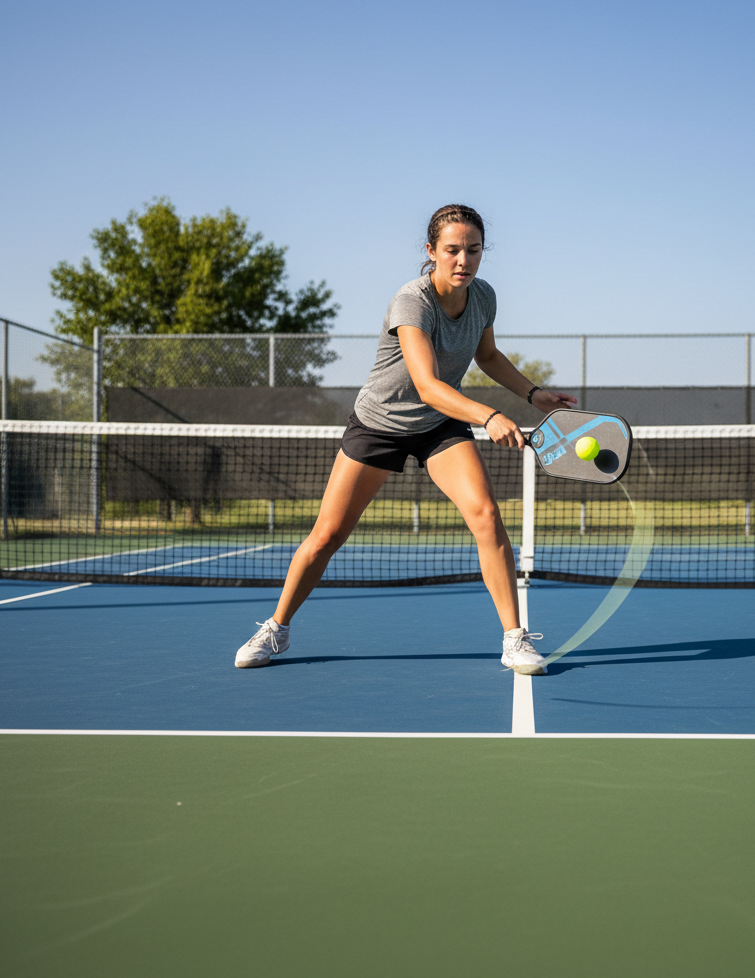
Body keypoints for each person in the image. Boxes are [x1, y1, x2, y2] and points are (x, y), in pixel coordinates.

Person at [234, 204, 576, 674]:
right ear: (431, 251)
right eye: (452, 250)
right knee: (327, 535)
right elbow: (428, 385)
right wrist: (490, 416)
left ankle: (514, 638)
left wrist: (534, 394)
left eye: (474, 250)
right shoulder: (411, 300)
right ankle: (276, 628)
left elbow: (489, 356)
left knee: (485, 515)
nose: (463, 260)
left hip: (439, 425)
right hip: (380, 424)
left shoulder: (483, 297)